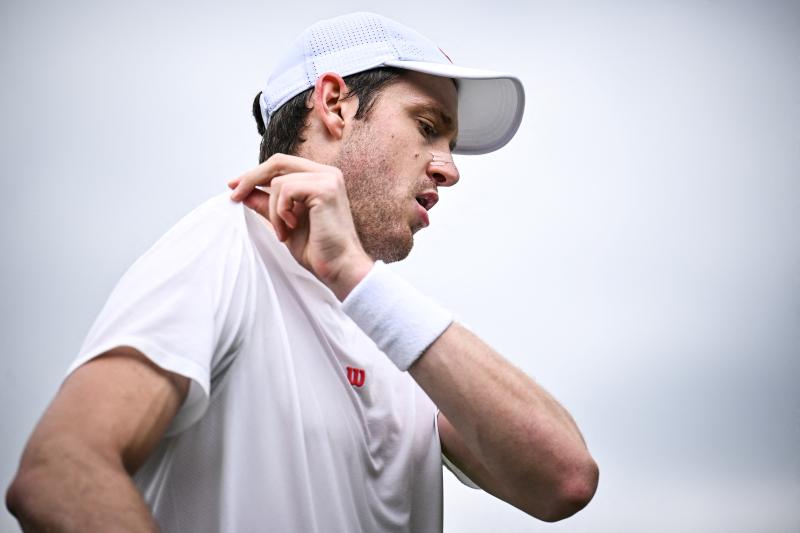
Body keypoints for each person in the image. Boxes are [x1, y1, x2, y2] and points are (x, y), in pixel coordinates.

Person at [6, 11, 598, 532]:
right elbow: (59, 473)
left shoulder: (388, 323)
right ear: (335, 103)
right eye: (426, 126)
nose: (449, 170)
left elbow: (564, 481)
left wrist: (356, 278)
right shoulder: (226, 245)